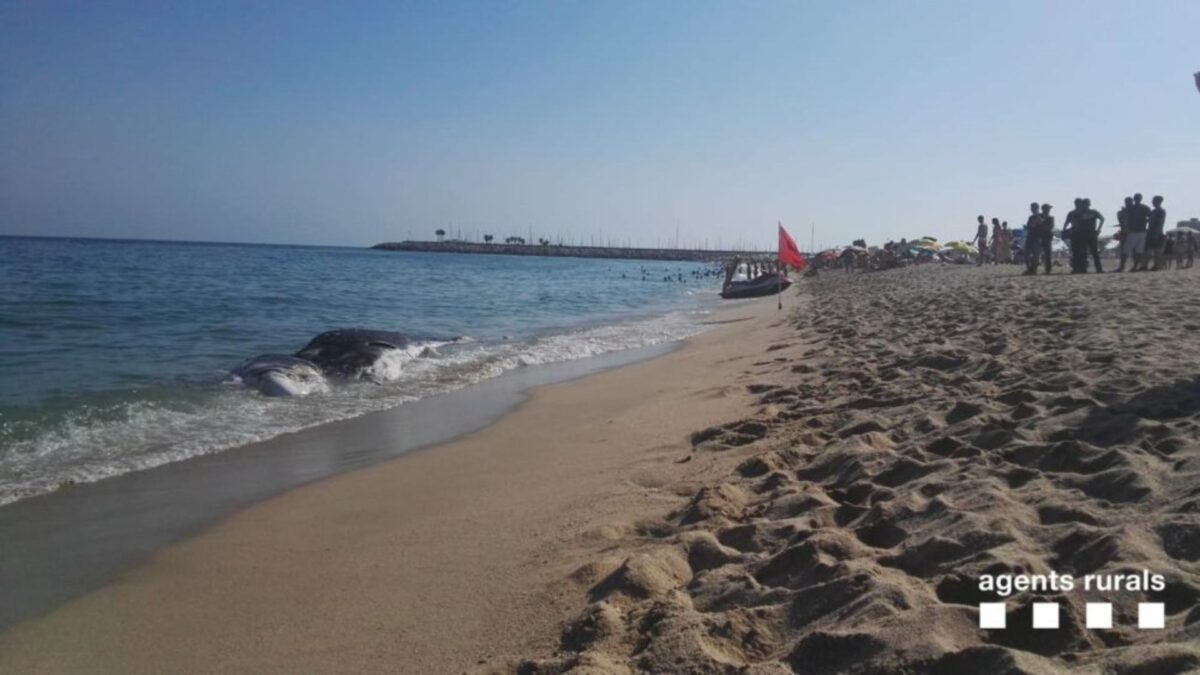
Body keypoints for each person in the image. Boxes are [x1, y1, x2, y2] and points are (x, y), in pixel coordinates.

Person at [1071, 199, 1105, 273]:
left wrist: (1098, 229)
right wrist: (1077, 227)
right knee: (1083, 252)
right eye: (1084, 204)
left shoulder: (1094, 212)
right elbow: (1073, 220)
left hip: (1091, 234)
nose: (1085, 205)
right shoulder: (1079, 213)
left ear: (1089, 204)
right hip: (1082, 234)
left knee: (1095, 252)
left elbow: (1102, 219)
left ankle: (1099, 269)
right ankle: (1083, 269)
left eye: (1086, 204)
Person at [1024, 202, 1052, 275]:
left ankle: (1035, 270)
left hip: (1039, 237)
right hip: (1032, 236)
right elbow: (1029, 226)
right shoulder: (1033, 217)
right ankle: (1030, 269)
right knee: (1027, 254)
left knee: (1037, 254)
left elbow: (1046, 227)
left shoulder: (1044, 217)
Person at [1126, 194, 1151, 271]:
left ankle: (1136, 266)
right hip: (1137, 231)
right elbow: (1150, 217)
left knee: (1137, 251)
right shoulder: (1144, 208)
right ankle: (1136, 265)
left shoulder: (1133, 208)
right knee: (1137, 251)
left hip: (1136, 231)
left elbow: (1150, 217)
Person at [1062, 198, 1083, 269]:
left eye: (1079, 203)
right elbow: (1066, 222)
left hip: (1083, 233)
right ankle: (1075, 266)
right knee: (1074, 250)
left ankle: (1082, 266)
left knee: (1082, 250)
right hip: (1074, 233)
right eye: (1077, 203)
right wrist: (1064, 230)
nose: (1078, 204)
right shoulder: (1071, 213)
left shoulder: (1084, 212)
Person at [1148, 195, 1167, 270]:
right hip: (1152, 231)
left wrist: (1156, 233)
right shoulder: (1154, 211)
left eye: (1154, 201)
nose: (1152, 202)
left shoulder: (1161, 211)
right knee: (1152, 250)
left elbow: (1159, 223)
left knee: (1157, 251)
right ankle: (1156, 265)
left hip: (1157, 232)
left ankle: (1157, 266)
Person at [1116, 197, 1132, 271]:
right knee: (1123, 251)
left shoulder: (1133, 211)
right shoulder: (1122, 212)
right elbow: (1120, 220)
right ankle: (1122, 266)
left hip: (1133, 232)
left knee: (1135, 251)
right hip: (1124, 232)